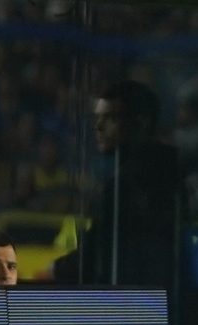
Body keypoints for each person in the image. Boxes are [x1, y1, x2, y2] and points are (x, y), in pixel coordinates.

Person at [53, 80, 178, 287]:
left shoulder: (131, 182)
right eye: (97, 118)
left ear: (141, 122)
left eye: (110, 118)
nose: (98, 126)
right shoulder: (163, 168)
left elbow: (96, 254)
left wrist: (53, 270)